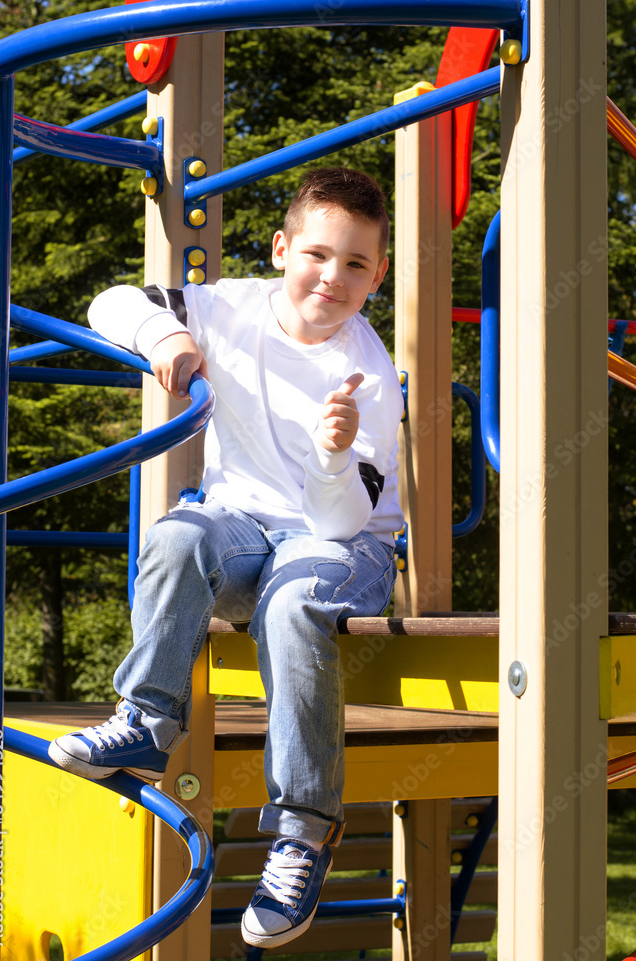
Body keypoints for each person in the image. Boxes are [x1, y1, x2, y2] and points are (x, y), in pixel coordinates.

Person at [48, 166, 404, 949]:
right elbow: (112, 301)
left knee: (291, 602)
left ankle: (303, 830)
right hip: (242, 530)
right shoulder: (228, 305)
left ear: (377, 277)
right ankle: (144, 720)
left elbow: (339, 521)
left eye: (355, 265)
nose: (331, 278)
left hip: (342, 545)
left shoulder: (367, 373)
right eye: (317, 254)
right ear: (281, 249)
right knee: (177, 532)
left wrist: (336, 455)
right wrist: (166, 334)